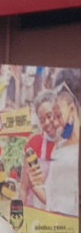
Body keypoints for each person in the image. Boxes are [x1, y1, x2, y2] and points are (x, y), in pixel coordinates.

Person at [44, 84, 79, 221]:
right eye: (55, 117)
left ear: (72, 110)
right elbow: (51, 191)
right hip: (56, 223)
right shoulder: (58, 146)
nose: (57, 123)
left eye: (59, 116)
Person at [20, 90, 59, 210]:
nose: (47, 123)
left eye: (49, 116)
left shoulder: (70, 143)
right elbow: (23, 187)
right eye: (42, 120)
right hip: (35, 211)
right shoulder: (34, 143)